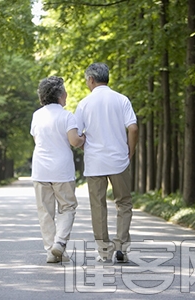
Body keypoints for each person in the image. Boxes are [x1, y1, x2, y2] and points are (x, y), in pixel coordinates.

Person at [74, 63, 138, 263]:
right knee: (124, 203)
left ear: (91, 80)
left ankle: (104, 251)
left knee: (98, 205)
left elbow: (76, 136)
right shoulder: (122, 100)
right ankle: (122, 248)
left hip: (95, 163)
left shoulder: (84, 103)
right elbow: (133, 128)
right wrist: (130, 151)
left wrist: (86, 146)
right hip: (119, 160)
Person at [30, 76, 85, 263]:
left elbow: (37, 139)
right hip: (61, 170)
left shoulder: (36, 115)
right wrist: (84, 138)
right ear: (60, 95)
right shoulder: (67, 116)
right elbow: (75, 141)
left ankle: (50, 251)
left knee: (45, 211)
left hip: (40, 169)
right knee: (67, 207)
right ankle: (60, 243)